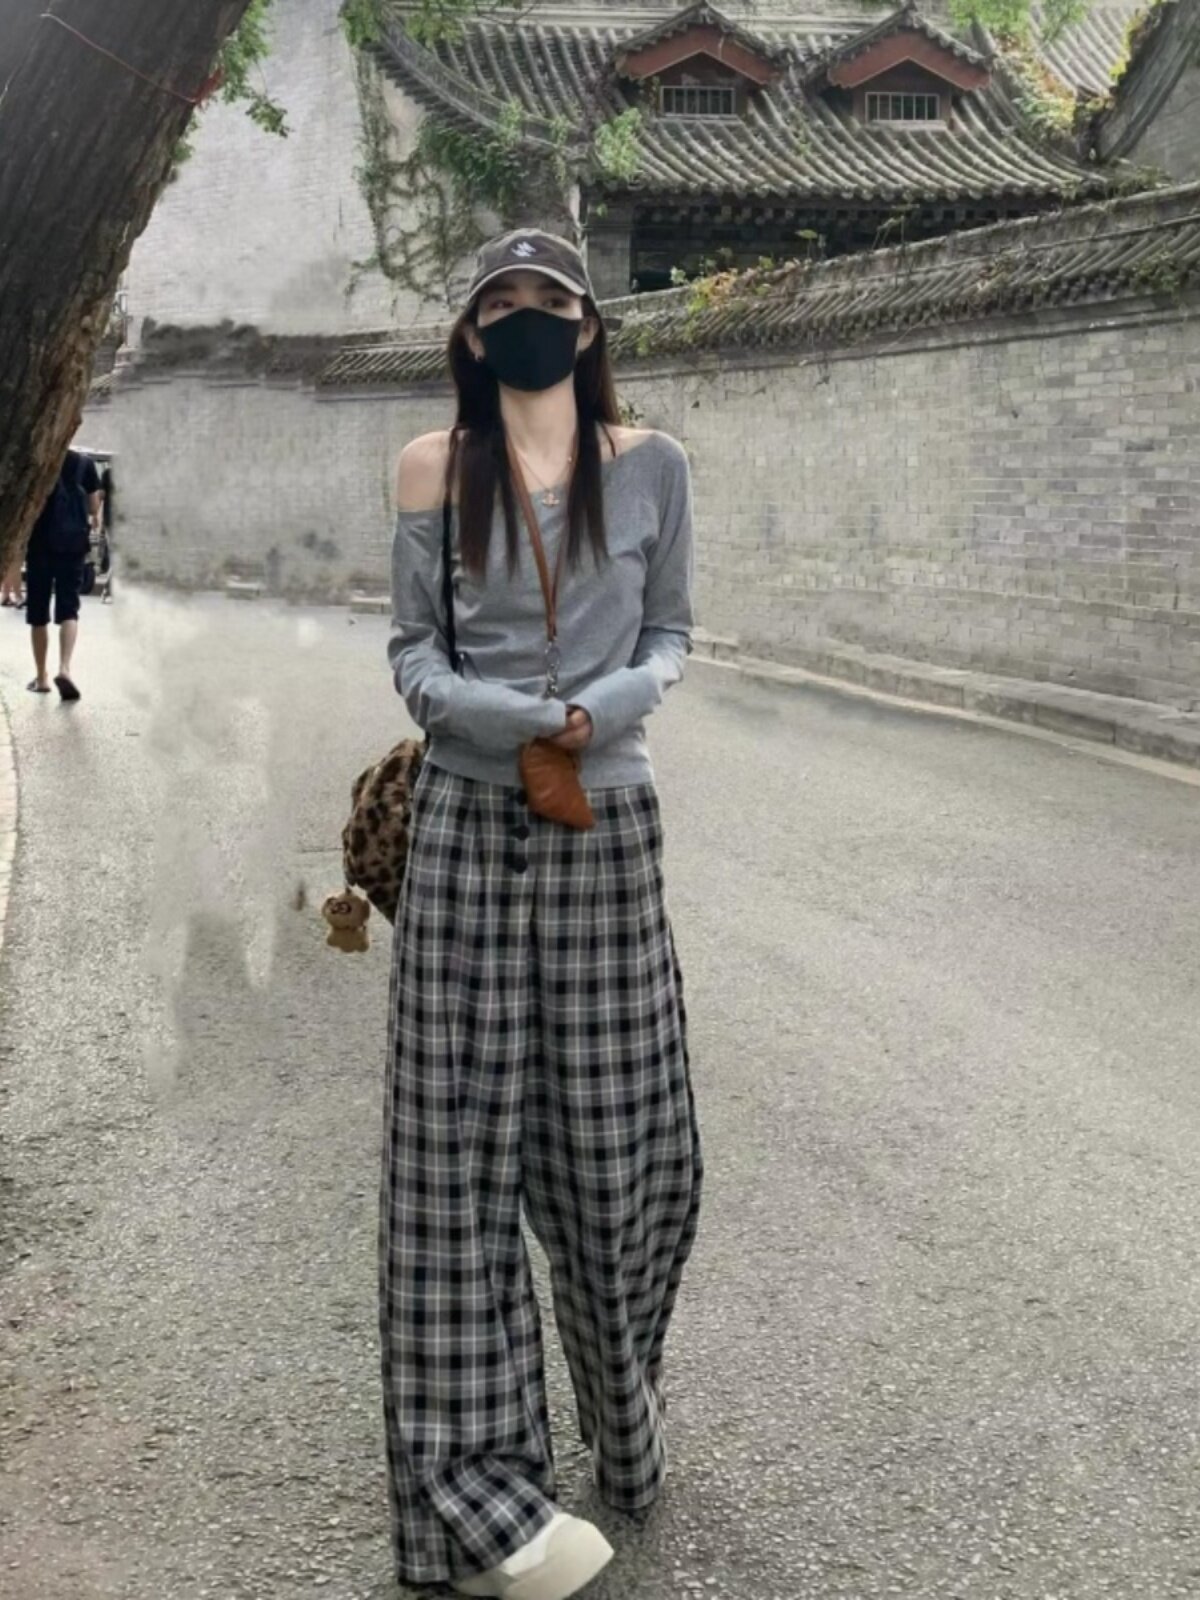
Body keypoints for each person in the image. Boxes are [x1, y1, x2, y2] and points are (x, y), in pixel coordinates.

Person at [382, 229, 704, 1600]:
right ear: (470, 334)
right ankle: (478, 1497)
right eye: (499, 302)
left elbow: (673, 635)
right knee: (449, 1165)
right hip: (468, 822)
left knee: (630, 1150)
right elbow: (411, 650)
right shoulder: (430, 466)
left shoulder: (654, 464)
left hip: (606, 824)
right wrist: (506, 718)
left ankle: (624, 1415)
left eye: (549, 299)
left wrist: (596, 710)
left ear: (588, 322)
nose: (525, 318)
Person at [25, 447, 100, 699]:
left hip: (39, 544)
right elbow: (93, 507)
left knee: (38, 612)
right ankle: (65, 669)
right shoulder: (85, 464)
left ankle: (41, 677)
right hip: (73, 546)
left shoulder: (37, 458)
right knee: (69, 609)